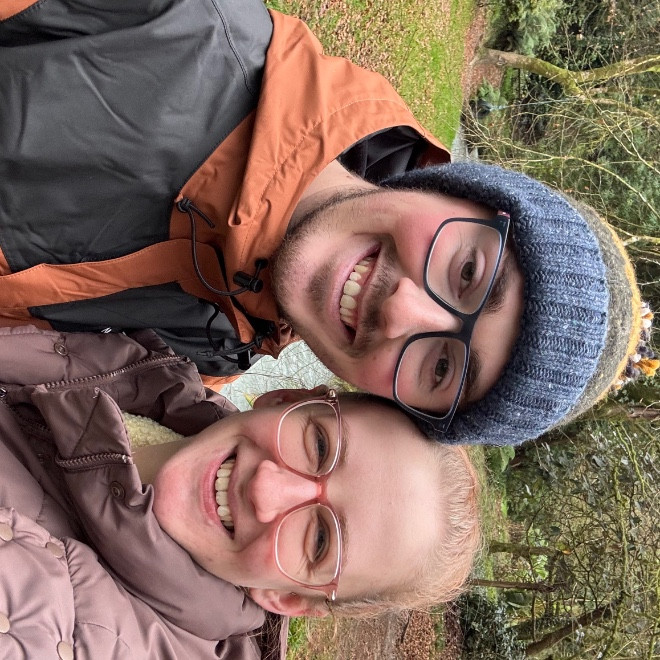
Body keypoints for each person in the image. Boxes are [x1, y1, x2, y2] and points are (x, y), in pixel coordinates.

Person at [0, 1, 655, 444]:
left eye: (440, 370)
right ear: (463, 192)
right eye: (467, 271)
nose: (401, 311)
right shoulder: (170, 22)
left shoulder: (211, 359)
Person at [0, 326, 480, 658]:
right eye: (318, 445)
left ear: (288, 599)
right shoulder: (124, 357)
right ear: (288, 399)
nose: (266, 489)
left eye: (319, 541)